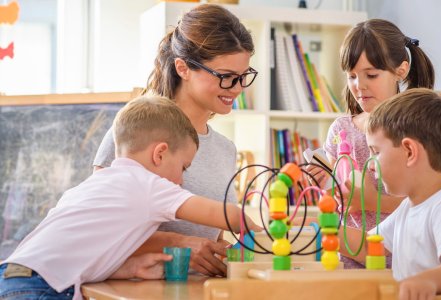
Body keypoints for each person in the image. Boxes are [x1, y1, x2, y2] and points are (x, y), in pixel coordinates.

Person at [0, 96, 261, 300]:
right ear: (160, 154)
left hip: (13, 277)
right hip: (41, 289)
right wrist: (266, 237)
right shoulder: (149, 186)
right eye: (183, 167)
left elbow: (77, 251)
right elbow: (227, 215)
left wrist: (130, 268)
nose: (181, 180)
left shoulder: (92, 187)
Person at [92, 4, 257, 277]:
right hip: (134, 288)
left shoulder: (226, 149)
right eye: (226, 77)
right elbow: (98, 227)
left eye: (243, 77)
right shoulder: (135, 132)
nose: (238, 88)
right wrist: (180, 244)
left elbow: (211, 239)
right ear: (183, 68)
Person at [343, 88, 441, 299]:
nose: (370, 165)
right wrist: (321, 229)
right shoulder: (409, 206)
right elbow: (369, 247)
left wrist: (427, 280)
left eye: (376, 152)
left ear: (410, 152)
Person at [315, 19, 435, 269]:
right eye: (352, 76)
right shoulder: (341, 129)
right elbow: (335, 203)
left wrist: (369, 201)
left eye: (371, 74)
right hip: (344, 258)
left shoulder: (418, 127)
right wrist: (324, 185)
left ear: (400, 71)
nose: (359, 86)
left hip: (396, 261)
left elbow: (430, 204)